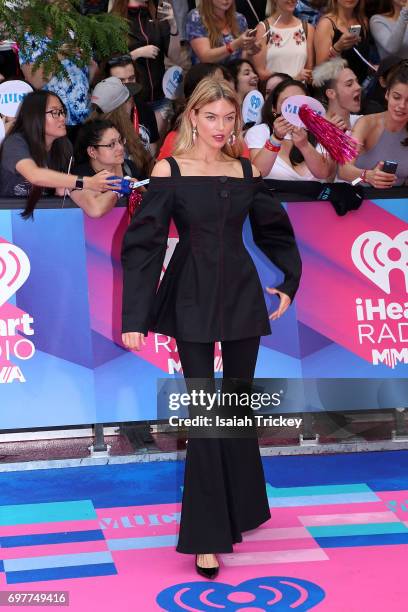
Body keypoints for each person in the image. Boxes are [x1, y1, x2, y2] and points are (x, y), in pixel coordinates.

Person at [121, 77, 302, 577]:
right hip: (191, 297)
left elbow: (272, 227)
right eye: (211, 117)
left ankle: (241, 510)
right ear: (192, 118)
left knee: (238, 407)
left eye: (229, 119)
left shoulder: (244, 169)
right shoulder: (169, 169)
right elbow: (144, 245)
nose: (221, 127)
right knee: (207, 416)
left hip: (242, 295)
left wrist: (289, 281)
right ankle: (206, 537)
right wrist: (135, 317)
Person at [0, 90, 118, 217]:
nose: (62, 118)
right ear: (35, 116)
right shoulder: (15, 143)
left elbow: (64, 190)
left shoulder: (64, 146)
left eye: (62, 112)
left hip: (42, 218)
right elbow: (34, 175)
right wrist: (87, 182)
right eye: (55, 112)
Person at [245, 78, 336, 180]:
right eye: (287, 102)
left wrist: (304, 146)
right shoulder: (260, 132)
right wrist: (276, 139)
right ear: (274, 108)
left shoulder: (321, 133)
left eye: (300, 103)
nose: (295, 108)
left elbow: (324, 173)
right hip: (272, 194)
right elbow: (258, 172)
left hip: (313, 195)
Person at [110, 0, 179, 134]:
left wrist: (173, 26)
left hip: (160, 97)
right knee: (139, 148)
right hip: (132, 101)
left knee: (158, 148)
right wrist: (135, 54)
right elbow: (108, 63)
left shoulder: (156, 14)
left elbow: (175, 56)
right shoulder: (114, 20)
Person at [338, 62, 408, 186]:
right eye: (397, 97)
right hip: (363, 199)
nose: (402, 106)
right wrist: (367, 175)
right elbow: (343, 169)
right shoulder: (367, 124)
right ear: (387, 94)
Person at [70, 119, 137, 217]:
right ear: (92, 151)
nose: (120, 148)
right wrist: (119, 187)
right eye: (111, 144)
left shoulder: (129, 167)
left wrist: (139, 188)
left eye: (120, 141)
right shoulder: (80, 175)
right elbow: (96, 210)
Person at [89, 76, 152, 180]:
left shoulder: (124, 127)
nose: (132, 102)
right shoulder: (102, 137)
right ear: (120, 107)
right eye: (128, 99)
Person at [105, 54, 160, 154]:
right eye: (120, 81)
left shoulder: (146, 110)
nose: (127, 85)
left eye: (131, 79)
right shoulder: (102, 115)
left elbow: (153, 148)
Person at [252, 0, 315, 82]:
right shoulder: (262, 29)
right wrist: (293, 78)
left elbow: (309, 71)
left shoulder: (308, 29)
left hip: (300, 92)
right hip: (274, 92)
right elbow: (260, 73)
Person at [314, 0, 371, 85]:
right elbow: (320, 70)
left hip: (361, 87)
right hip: (336, 89)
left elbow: (362, 57)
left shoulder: (363, 21)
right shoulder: (326, 24)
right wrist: (337, 48)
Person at [185, 0, 258, 65]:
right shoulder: (196, 17)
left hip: (235, 75)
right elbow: (205, 57)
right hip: (209, 77)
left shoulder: (239, 19)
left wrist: (250, 52)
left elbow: (241, 59)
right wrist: (235, 45)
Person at [312, 57, 362, 131]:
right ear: (331, 93)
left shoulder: (362, 122)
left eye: (357, 81)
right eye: (349, 84)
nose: (358, 87)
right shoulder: (315, 129)